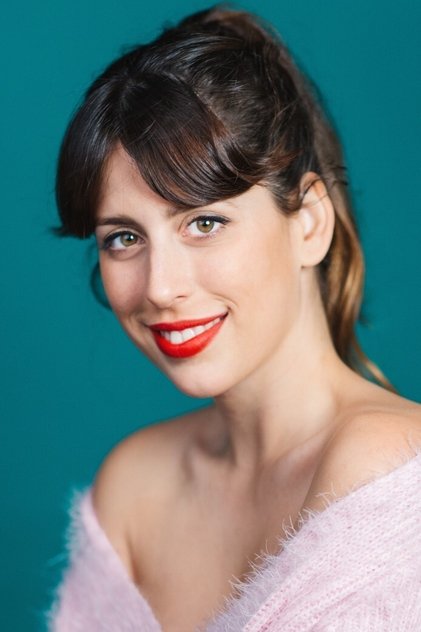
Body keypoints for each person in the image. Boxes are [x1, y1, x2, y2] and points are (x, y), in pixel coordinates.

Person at [49, 6, 421, 631]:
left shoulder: (391, 468)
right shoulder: (131, 490)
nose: (160, 288)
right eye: (124, 238)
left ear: (309, 223)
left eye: (205, 222)